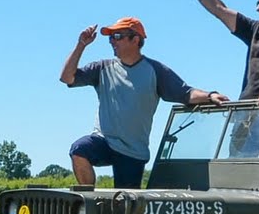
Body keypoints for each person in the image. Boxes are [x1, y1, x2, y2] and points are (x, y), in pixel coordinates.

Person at [60, 18, 228, 188]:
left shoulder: (155, 71)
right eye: (110, 37)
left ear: (136, 40)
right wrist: (81, 44)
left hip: (133, 152)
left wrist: (211, 95)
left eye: (117, 36)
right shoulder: (102, 68)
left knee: (126, 207)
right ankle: (91, 203)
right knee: (79, 150)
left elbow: (186, 93)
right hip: (104, 140)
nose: (111, 41)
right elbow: (67, 77)